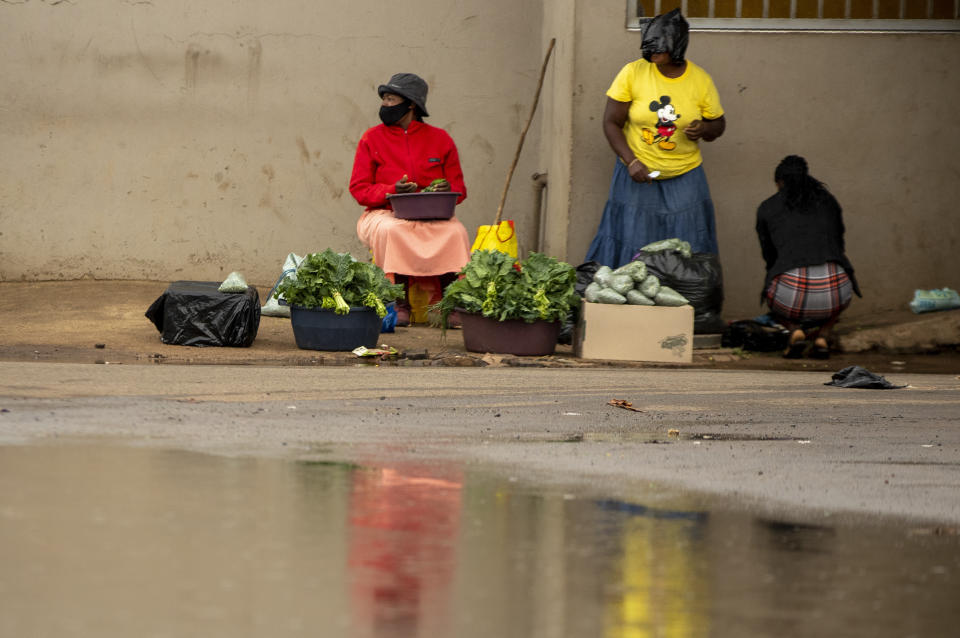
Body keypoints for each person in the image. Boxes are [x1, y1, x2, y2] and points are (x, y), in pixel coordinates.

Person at [586, 9, 726, 268]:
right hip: (638, 173)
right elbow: (611, 122)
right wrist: (631, 161)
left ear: (676, 46)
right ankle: (624, 307)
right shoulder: (632, 73)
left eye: (657, 50)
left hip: (685, 175)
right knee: (632, 241)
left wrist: (705, 129)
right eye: (647, 49)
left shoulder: (700, 80)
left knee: (688, 244)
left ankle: (684, 305)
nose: (651, 55)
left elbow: (718, 124)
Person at [349, 73, 470, 326]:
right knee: (394, 231)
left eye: (391, 99)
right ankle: (399, 303)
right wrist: (391, 190)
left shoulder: (441, 139)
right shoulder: (371, 138)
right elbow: (359, 189)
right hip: (383, 213)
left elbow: (460, 188)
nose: (385, 105)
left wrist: (447, 189)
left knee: (456, 232)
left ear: (411, 104)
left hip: (432, 213)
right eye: (384, 99)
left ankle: (446, 304)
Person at [756, 155, 861, 359]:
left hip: (789, 292)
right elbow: (839, 244)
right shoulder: (828, 201)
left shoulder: (767, 207)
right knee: (841, 290)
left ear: (780, 182)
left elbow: (769, 257)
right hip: (836, 289)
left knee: (771, 290)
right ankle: (823, 335)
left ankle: (795, 330)